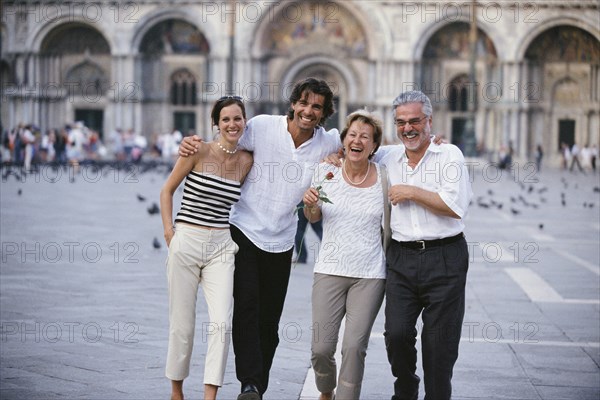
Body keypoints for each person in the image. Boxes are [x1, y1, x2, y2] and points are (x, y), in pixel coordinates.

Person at [178, 78, 341, 399]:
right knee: (247, 308)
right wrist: (190, 143)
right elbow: (228, 136)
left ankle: (257, 387)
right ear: (293, 103)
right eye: (304, 103)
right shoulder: (264, 126)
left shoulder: (328, 142)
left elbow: (363, 143)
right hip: (243, 230)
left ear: (324, 114)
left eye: (317, 107)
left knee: (269, 321)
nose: (308, 111)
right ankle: (249, 383)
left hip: (282, 241)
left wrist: (424, 141)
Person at [380, 90, 472, 400]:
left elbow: (454, 206)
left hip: (445, 257)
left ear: (429, 121)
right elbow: (357, 145)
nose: (408, 128)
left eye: (415, 121)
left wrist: (410, 191)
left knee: (439, 347)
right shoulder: (388, 157)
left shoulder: (450, 155)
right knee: (396, 333)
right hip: (402, 258)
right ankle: (406, 388)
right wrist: (334, 156)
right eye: (401, 122)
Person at [160, 96, 253, 400]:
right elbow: (167, 190)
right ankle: (177, 392)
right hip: (186, 240)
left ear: (244, 121)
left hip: (222, 247)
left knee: (221, 323)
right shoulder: (197, 150)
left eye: (237, 118)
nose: (232, 124)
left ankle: (209, 395)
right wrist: (170, 234)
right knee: (182, 324)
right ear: (216, 124)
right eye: (225, 119)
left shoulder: (246, 160)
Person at [302, 110, 387, 400]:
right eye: (352, 135)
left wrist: (437, 141)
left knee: (353, 347)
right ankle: (326, 390)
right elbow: (313, 218)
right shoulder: (326, 172)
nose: (357, 140)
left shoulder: (385, 178)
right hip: (329, 269)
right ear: (343, 141)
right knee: (321, 348)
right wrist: (309, 203)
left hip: (370, 274)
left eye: (365, 136)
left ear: (375, 146)